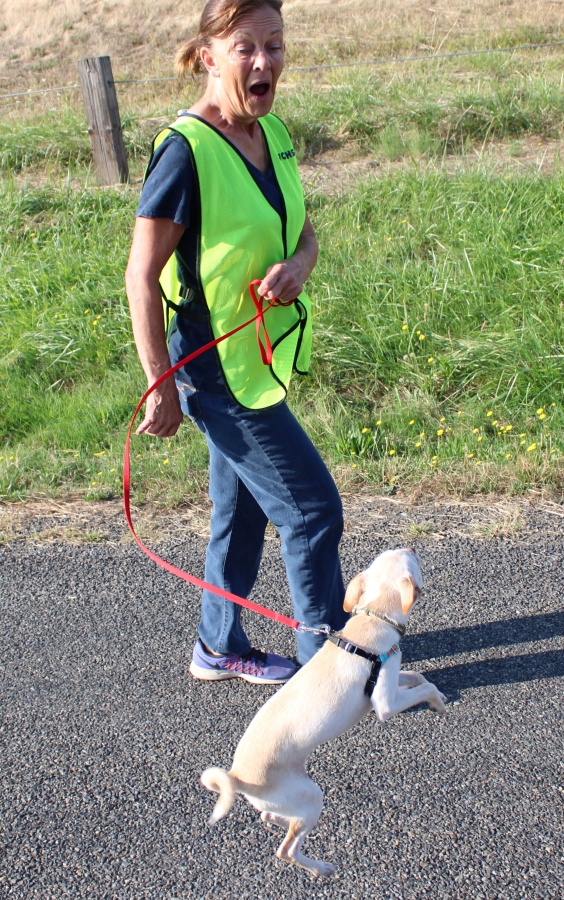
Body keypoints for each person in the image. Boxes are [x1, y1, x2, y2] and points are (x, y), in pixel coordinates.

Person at [125, 0, 347, 686]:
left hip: (260, 361)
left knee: (243, 511)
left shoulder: (272, 131)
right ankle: (326, 668)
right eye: (245, 47)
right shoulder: (184, 151)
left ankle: (217, 646)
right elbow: (139, 273)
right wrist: (160, 383)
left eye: (274, 46)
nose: (263, 62)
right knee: (312, 511)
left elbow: (303, 230)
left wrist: (300, 265)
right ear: (209, 54)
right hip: (214, 372)